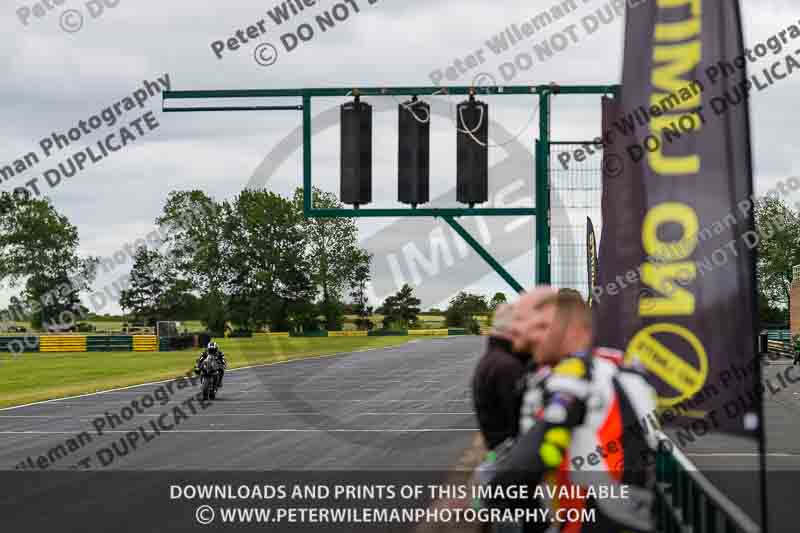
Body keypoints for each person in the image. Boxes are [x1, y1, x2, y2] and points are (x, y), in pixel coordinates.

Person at [488, 290, 658, 533]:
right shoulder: (619, 363)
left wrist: (490, 494)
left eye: (543, 326)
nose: (526, 335)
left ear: (573, 329)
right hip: (632, 512)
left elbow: (537, 453)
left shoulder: (574, 373)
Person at [472, 303, 536, 450]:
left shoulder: (495, 359)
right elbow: (520, 421)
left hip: (499, 449)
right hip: (511, 452)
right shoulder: (507, 367)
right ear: (514, 328)